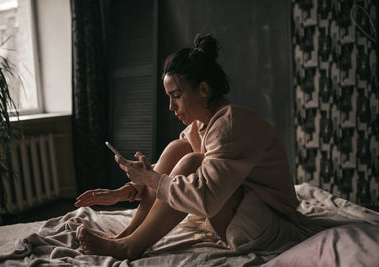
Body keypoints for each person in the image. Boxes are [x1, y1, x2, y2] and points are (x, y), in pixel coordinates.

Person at [76, 34, 312, 260]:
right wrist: (125, 191)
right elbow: (165, 171)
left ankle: (131, 247)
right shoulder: (200, 126)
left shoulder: (230, 125)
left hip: (271, 225)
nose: (171, 106)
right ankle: (127, 236)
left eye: (176, 96)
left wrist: (149, 178)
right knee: (178, 148)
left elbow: (205, 198)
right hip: (240, 215)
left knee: (191, 162)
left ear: (203, 90)